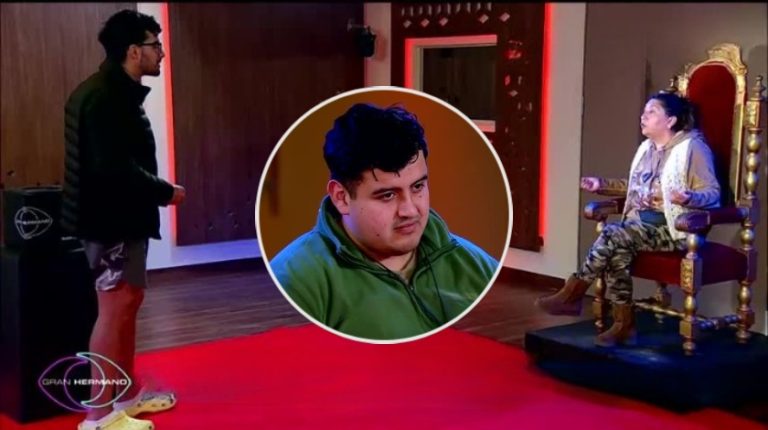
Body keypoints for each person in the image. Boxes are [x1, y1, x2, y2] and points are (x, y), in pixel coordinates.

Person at [269, 103, 500, 341]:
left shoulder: (476, 265)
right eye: (387, 195)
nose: (410, 210)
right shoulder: (295, 282)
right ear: (341, 198)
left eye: (418, 187)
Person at [62, 10, 184, 430]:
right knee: (113, 310)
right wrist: (165, 192)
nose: (161, 53)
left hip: (122, 219)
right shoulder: (104, 98)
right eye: (155, 45)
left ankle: (126, 396)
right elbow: (113, 169)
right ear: (134, 51)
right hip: (108, 221)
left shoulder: (116, 92)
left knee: (128, 303)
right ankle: (98, 417)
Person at [535, 92, 720, 347]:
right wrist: (601, 185)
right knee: (617, 253)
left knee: (612, 234)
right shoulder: (646, 149)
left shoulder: (692, 148)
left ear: (670, 120)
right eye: (644, 111)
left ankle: (573, 293)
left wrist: (689, 197)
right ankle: (623, 325)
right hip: (640, 225)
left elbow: (713, 193)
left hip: (675, 228)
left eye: (651, 112)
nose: (643, 117)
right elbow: (634, 187)